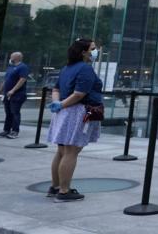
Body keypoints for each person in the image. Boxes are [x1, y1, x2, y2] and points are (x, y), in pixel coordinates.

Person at [47, 39, 104, 202]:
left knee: (62, 151)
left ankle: (55, 186)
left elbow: (56, 88)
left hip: (64, 112)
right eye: (92, 49)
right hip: (78, 112)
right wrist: (63, 104)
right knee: (71, 152)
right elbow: (80, 93)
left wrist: (58, 104)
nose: (95, 51)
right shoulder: (85, 69)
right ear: (83, 52)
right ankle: (64, 191)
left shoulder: (67, 68)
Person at [0, 52, 29, 139]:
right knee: (8, 113)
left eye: (11, 56)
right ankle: (6, 130)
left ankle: (15, 131)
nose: (10, 58)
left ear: (17, 57)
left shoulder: (23, 67)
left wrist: (13, 90)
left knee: (15, 112)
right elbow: (6, 80)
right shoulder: (10, 67)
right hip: (7, 94)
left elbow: (22, 79)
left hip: (17, 95)